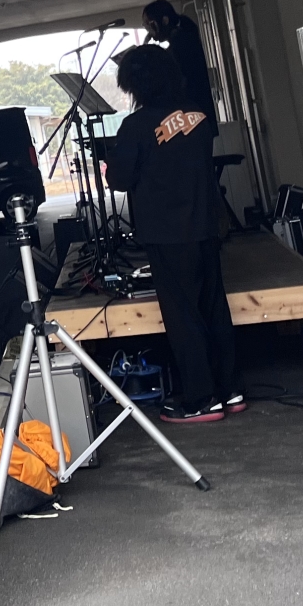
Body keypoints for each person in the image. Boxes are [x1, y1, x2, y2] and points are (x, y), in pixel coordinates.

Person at [104, 44, 241, 424]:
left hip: (167, 232)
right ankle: (230, 389)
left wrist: (114, 161)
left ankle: (201, 399)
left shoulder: (136, 126)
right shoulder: (199, 116)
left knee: (183, 316)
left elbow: (119, 179)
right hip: (207, 226)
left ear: (135, 84)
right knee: (214, 307)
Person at [142, 0, 217, 120]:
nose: (150, 33)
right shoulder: (186, 30)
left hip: (195, 108)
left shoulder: (182, 41)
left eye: (151, 25)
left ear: (164, 21)